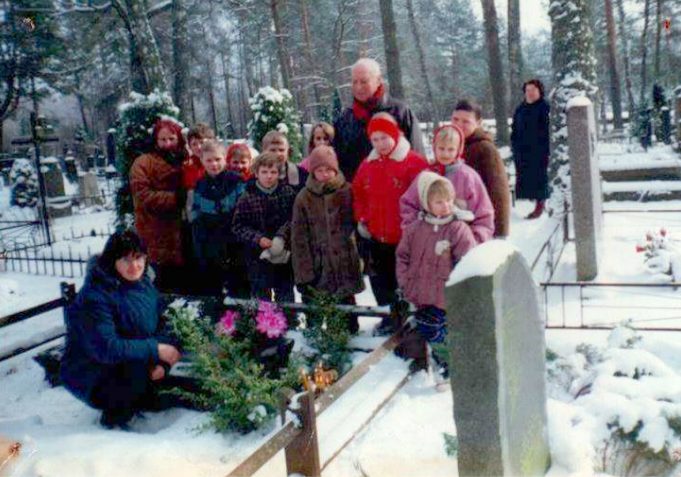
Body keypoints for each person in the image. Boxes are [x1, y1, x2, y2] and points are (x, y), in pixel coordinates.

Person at [61, 230, 186, 429]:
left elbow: (166, 324)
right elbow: (106, 348)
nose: (134, 266)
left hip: (133, 362)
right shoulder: (96, 295)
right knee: (137, 374)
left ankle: (142, 398)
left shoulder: (143, 285)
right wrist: (156, 349)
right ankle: (115, 421)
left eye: (138, 258)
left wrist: (163, 363)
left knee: (183, 390)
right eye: (126, 260)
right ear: (112, 261)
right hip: (95, 374)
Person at [396, 172, 476, 388]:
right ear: (426, 202)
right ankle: (447, 365)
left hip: (446, 295)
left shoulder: (457, 229)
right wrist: (405, 281)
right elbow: (402, 256)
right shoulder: (415, 229)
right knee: (431, 329)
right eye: (439, 201)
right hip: (421, 293)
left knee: (436, 329)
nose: (445, 205)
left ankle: (452, 367)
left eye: (449, 200)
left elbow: (468, 260)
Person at [352, 113, 428, 332]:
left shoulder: (413, 162)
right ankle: (387, 317)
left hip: (405, 237)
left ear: (395, 135)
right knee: (380, 281)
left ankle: (410, 319)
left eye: (384, 138)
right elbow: (357, 193)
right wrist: (362, 218)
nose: (380, 144)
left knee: (404, 280)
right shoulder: (368, 164)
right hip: (377, 236)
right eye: (375, 140)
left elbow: (425, 195)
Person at [291, 145, 364, 333]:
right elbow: (299, 237)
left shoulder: (347, 191)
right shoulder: (304, 198)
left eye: (329, 170)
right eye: (320, 170)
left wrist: (361, 257)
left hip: (345, 260)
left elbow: (359, 223)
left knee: (346, 306)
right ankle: (317, 339)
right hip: (318, 263)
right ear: (313, 171)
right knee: (318, 305)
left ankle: (350, 337)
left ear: (336, 169)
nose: (325, 174)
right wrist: (304, 272)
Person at [333, 58, 426, 181]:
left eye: (364, 81)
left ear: (378, 81)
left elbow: (417, 155)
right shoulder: (345, 119)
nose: (358, 87)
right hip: (359, 193)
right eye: (354, 82)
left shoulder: (399, 112)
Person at [400, 124, 495, 243]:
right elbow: (408, 204)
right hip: (429, 243)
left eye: (451, 149)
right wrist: (414, 232)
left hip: (460, 242)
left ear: (458, 150)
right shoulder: (425, 176)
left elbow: (484, 214)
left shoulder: (468, 177)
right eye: (441, 148)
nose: (445, 154)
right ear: (434, 148)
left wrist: (474, 239)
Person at [129, 117, 187, 292]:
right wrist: (175, 198)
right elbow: (143, 195)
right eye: (162, 139)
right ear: (155, 140)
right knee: (162, 282)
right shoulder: (143, 163)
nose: (167, 143)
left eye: (172, 139)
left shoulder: (186, 160)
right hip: (156, 231)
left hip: (183, 232)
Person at [232, 152, 298, 302]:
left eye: (273, 172)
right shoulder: (247, 196)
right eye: (264, 172)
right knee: (261, 295)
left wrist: (281, 236)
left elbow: (293, 219)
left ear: (279, 174)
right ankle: (264, 323)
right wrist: (258, 238)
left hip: (283, 253)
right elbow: (238, 226)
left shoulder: (287, 193)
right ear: (256, 173)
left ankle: (288, 322)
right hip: (257, 256)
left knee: (285, 292)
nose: (269, 176)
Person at [191, 140, 248, 296]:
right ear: (202, 160)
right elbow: (196, 216)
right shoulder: (200, 185)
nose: (214, 164)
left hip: (235, 244)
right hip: (211, 245)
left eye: (217, 159)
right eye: (209, 160)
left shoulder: (236, 181)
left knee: (239, 288)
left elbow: (244, 214)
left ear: (224, 159)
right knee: (213, 288)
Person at [451, 99, 511, 238]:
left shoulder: (485, 148)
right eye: (455, 119)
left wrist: (500, 233)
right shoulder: (450, 146)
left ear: (478, 123)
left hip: (479, 224)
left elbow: (499, 192)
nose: (459, 124)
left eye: (466, 121)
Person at [511, 79, 551, 219]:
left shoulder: (544, 108)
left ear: (539, 91)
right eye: (527, 90)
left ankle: (540, 204)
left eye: (533, 90)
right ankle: (534, 200)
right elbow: (515, 128)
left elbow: (546, 130)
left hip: (539, 150)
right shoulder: (520, 108)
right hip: (523, 151)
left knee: (540, 178)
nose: (530, 93)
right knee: (527, 178)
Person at [182, 123, 216, 218]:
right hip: (197, 210)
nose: (199, 147)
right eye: (194, 144)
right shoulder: (188, 165)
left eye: (202, 142)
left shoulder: (218, 162)